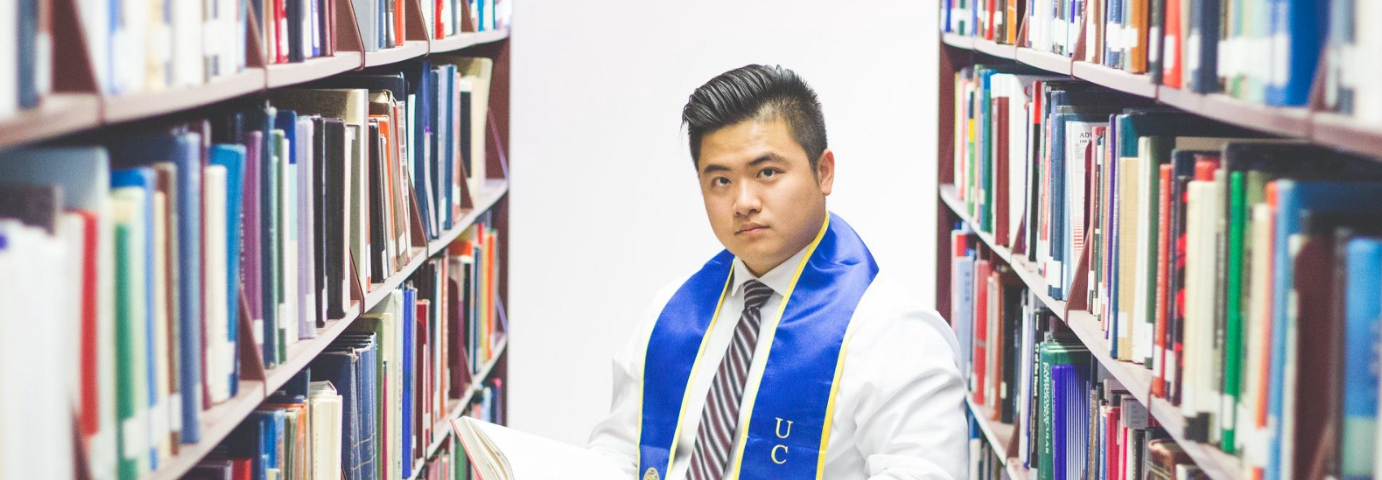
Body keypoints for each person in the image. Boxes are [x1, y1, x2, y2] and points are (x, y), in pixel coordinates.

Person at [588, 64, 967, 480]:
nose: (743, 201)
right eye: (720, 181)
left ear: (823, 172)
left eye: (766, 172)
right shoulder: (670, 313)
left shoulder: (895, 333)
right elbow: (619, 449)